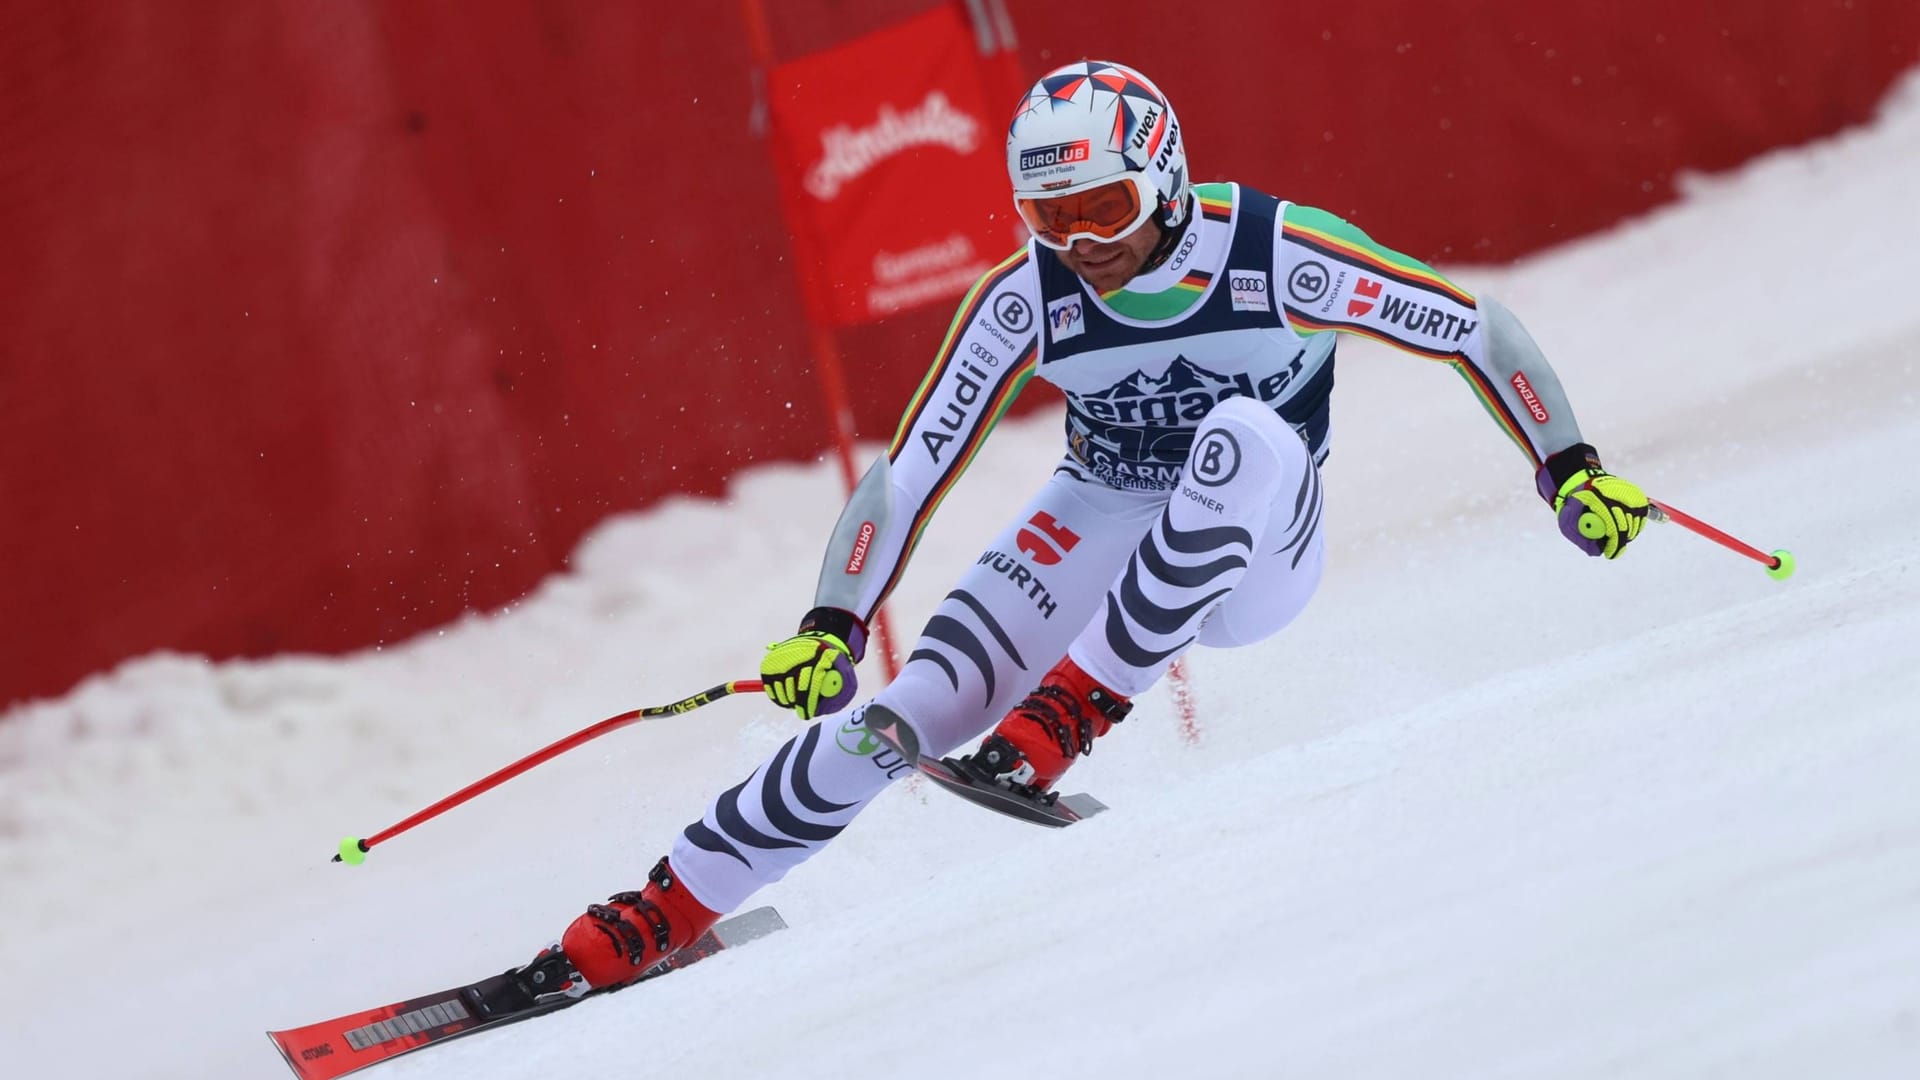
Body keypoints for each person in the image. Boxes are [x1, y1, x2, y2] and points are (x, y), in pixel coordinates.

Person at [550, 60, 1649, 989]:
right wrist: (834, 621)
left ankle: (1067, 718)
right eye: (1050, 217)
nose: (1082, 243)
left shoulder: (1277, 251)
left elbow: (1476, 326)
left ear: (1163, 179)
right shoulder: (1025, 298)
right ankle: (670, 903)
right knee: (909, 709)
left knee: (1243, 433)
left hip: (1259, 548)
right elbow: (911, 469)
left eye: (1104, 210)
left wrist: (1569, 469)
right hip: (1109, 517)